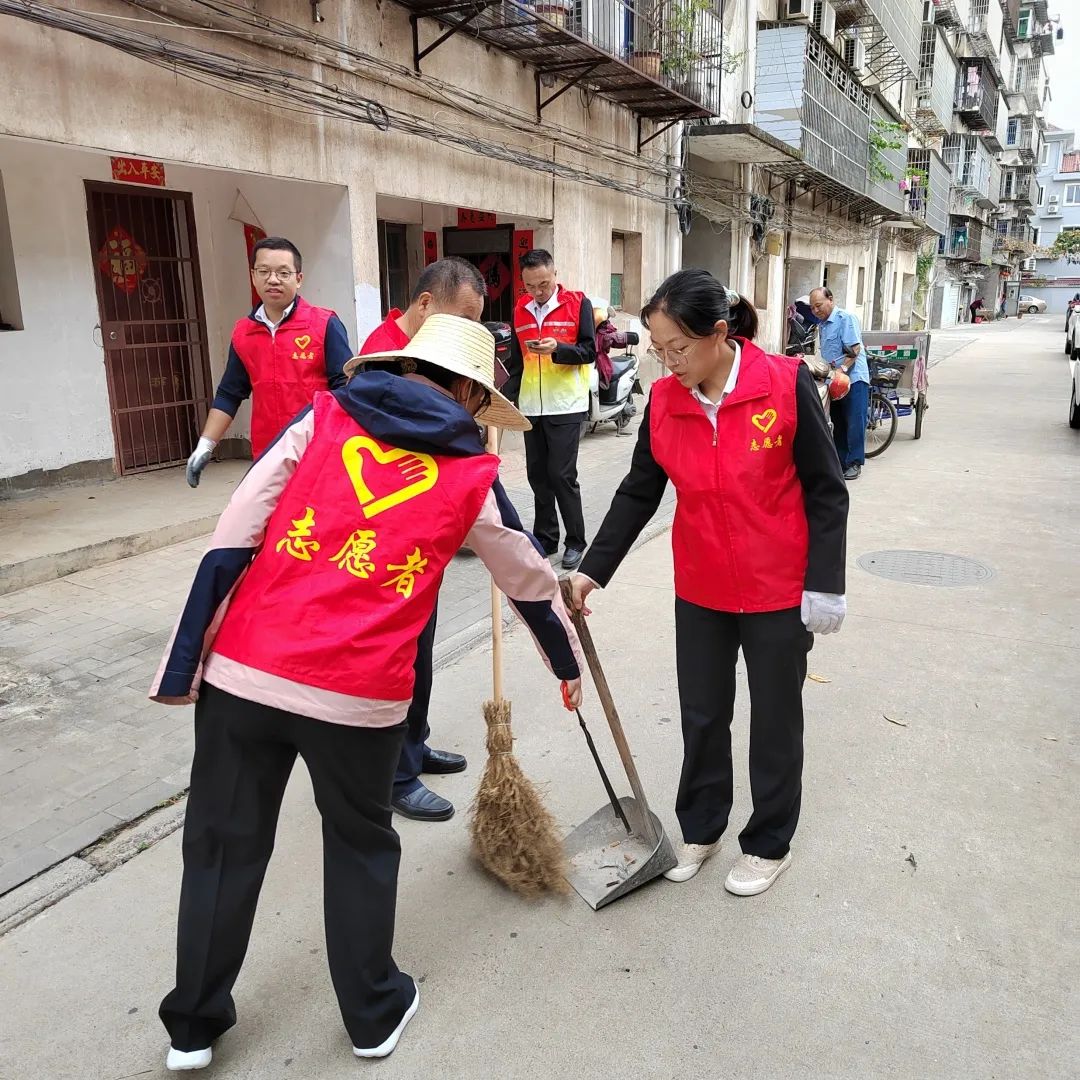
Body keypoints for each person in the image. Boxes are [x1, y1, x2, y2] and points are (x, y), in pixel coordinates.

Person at [152, 315, 583, 1073]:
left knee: (221, 845)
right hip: (359, 698)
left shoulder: (318, 422)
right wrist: (566, 661)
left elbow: (234, 533)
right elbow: (526, 576)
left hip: (247, 673)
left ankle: (192, 1027)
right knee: (358, 843)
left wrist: (186, 663)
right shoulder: (473, 474)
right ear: (464, 392)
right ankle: (371, 1014)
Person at [570, 269, 849, 897]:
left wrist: (824, 583)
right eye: (659, 349)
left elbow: (827, 492)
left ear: (719, 334)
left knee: (775, 719)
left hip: (779, 587)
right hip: (701, 585)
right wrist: (592, 571)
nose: (668, 363)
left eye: (679, 348)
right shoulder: (667, 401)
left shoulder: (783, 384)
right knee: (702, 713)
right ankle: (701, 826)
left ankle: (769, 842)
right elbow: (640, 490)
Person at [358, 258, 487, 823]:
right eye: (463, 319)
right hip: (384, 533)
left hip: (424, 537)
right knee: (396, 657)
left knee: (422, 651)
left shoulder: (442, 359)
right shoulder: (381, 358)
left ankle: (414, 744)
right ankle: (393, 774)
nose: (468, 335)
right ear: (428, 305)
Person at [185, 236, 353, 485]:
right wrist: (205, 446)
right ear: (253, 276)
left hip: (317, 451)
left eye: (283, 273)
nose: (273, 279)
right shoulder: (243, 333)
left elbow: (346, 389)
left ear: (299, 278)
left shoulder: (324, 324)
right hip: (267, 453)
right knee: (267, 522)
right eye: (264, 271)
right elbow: (230, 393)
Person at [504, 249, 596, 570]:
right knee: (538, 476)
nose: (539, 291)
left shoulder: (577, 304)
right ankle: (546, 538)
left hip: (566, 404)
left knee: (561, 475)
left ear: (554, 274)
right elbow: (516, 362)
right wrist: (505, 398)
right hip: (532, 405)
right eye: (532, 286)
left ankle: (576, 541)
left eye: (544, 283)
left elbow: (588, 351)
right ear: (523, 283)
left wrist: (559, 350)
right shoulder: (519, 310)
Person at [809, 286, 867, 481]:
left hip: (854, 378)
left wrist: (841, 371)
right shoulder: (822, 325)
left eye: (818, 305)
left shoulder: (845, 318)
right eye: (812, 308)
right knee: (838, 421)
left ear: (830, 300)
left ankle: (855, 462)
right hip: (833, 381)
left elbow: (855, 349)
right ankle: (841, 462)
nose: (816, 311)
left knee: (854, 422)